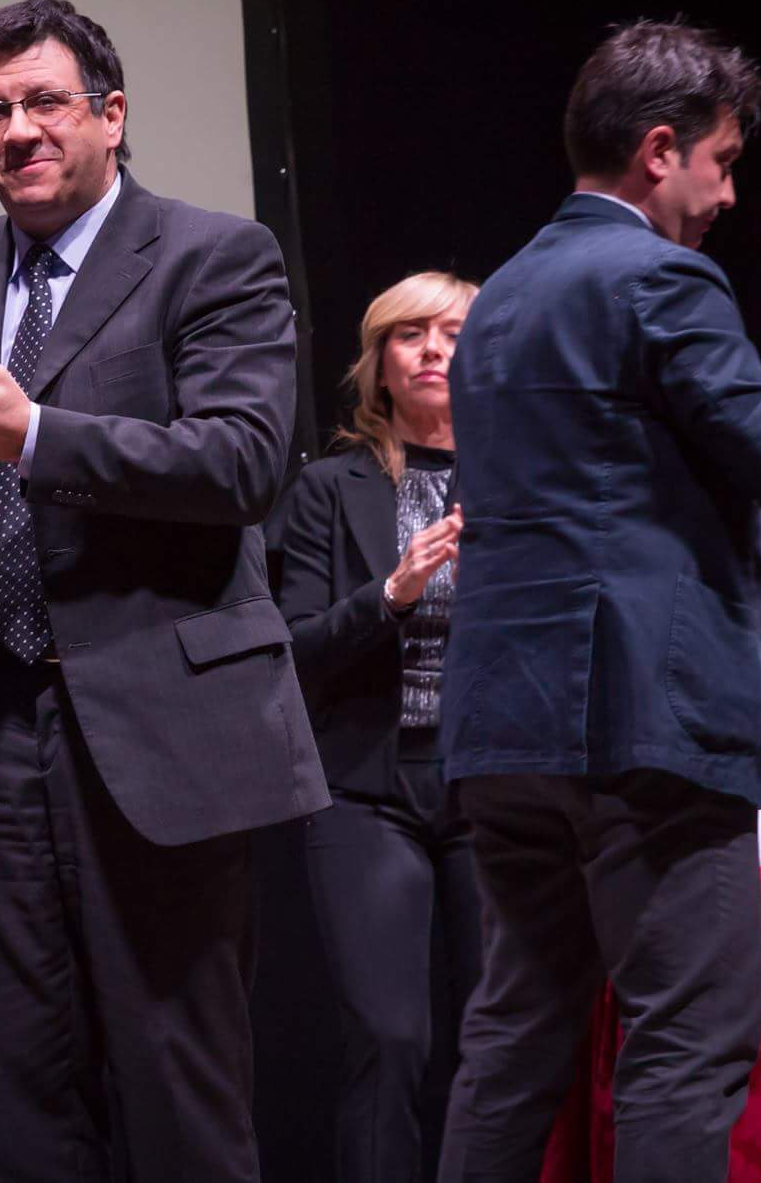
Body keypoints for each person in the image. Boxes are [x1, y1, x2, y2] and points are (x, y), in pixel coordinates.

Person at [434, 19, 761, 1183]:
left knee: (514, 1040)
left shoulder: (504, 291)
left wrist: (734, 519)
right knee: (686, 1039)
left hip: (508, 726)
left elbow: (592, 495)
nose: (726, 195)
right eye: (720, 163)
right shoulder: (657, 274)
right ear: (658, 150)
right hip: (643, 727)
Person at [0, 0, 328, 1181]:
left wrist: (35, 436)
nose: (15, 131)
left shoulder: (211, 253)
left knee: (180, 1093)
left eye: (42, 101)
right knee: (15, 1098)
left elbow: (242, 463)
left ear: (111, 114)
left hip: (158, 729)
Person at [276, 270, 480, 1182]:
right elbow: (292, 648)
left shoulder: (521, 482)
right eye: (411, 333)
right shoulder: (329, 488)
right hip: (369, 787)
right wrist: (390, 594)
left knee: (503, 1039)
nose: (434, 350)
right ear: (379, 364)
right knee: (391, 1036)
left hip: (494, 789)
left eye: (455, 333)